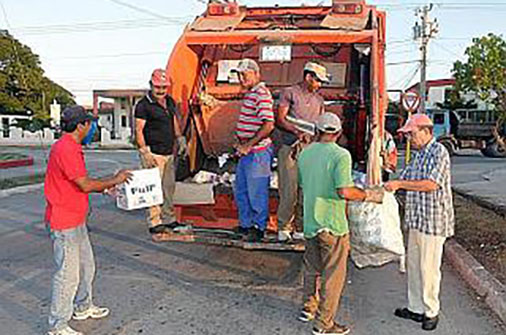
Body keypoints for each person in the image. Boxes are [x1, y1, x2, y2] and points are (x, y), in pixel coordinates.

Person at [44, 106, 132, 335]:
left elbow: (78, 182)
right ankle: (58, 326)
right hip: (64, 222)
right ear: (81, 125)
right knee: (67, 275)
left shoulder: (71, 146)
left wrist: (105, 190)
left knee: (86, 267)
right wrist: (115, 180)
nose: (92, 127)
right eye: (89, 123)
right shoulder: (66, 148)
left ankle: (83, 306)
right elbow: (84, 184)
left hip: (76, 218)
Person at [297, 112, 383, 335]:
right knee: (332, 276)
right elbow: (344, 190)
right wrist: (368, 195)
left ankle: (308, 308)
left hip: (310, 222)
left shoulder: (305, 154)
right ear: (338, 132)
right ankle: (324, 324)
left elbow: (303, 185)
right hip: (333, 225)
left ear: (318, 131)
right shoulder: (340, 155)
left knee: (311, 268)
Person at [385, 113, 454, 331]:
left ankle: (431, 311)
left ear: (426, 131)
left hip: (433, 222)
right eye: (407, 136)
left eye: (412, 134)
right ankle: (415, 307)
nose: (409, 139)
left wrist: (400, 183)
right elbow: (404, 176)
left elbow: (431, 184)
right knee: (413, 266)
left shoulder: (439, 152)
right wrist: (389, 169)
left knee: (429, 269)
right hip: (416, 220)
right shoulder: (418, 154)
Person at [275, 62, 327, 242]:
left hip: (311, 149)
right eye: (317, 81)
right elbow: (280, 120)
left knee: (306, 190)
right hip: (290, 147)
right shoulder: (289, 93)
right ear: (308, 77)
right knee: (288, 189)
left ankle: (300, 227)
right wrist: (298, 133)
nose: (319, 85)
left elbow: (320, 125)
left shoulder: (319, 100)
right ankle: (283, 227)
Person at [134, 68, 187, 238]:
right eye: (158, 87)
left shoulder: (169, 102)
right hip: (153, 153)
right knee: (153, 190)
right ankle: (155, 222)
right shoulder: (143, 105)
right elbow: (139, 129)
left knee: (168, 188)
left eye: (164, 87)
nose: (161, 91)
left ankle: (169, 219)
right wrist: (144, 151)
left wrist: (180, 139)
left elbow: (174, 122)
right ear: (151, 85)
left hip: (168, 153)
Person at [232, 58, 275, 242]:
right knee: (241, 189)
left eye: (245, 74)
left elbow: (269, 124)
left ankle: (259, 227)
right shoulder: (250, 93)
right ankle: (246, 224)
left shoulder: (261, 94)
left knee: (257, 191)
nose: (241, 78)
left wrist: (248, 144)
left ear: (257, 74)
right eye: (239, 75)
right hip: (246, 152)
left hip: (257, 153)